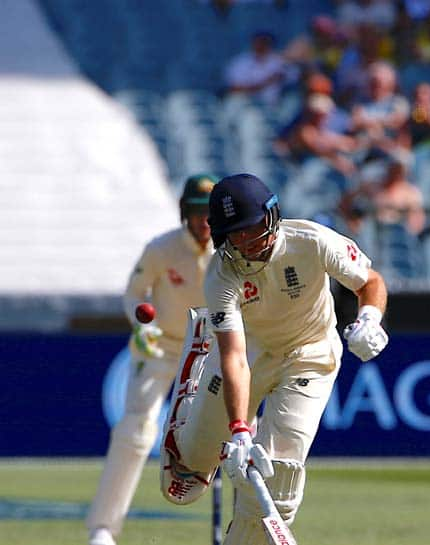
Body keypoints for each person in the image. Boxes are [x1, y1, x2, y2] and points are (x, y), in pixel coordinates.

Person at [160, 174, 389, 545]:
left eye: (253, 229)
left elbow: (370, 282)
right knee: (192, 466)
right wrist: (239, 429)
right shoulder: (221, 276)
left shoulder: (312, 241)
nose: (248, 243)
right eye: (237, 235)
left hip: (309, 356)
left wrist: (369, 319)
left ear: (271, 216)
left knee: (279, 477)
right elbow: (234, 357)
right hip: (248, 351)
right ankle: (190, 406)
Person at [87, 175, 217, 545]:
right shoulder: (162, 248)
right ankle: (103, 529)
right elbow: (134, 295)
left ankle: (249, 527)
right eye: (196, 213)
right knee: (134, 431)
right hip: (162, 347)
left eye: (209, 214)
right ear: (184, 214)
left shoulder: (229, 252)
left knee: (241, 433)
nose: (203, 222)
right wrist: (143, 328)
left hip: (210, 350)